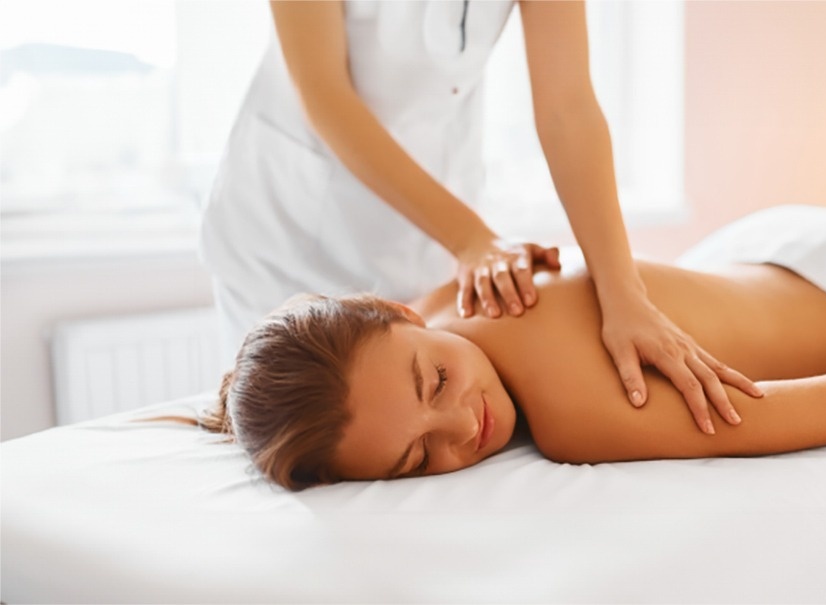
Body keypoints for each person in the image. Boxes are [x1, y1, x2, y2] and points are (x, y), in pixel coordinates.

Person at [198, 0, 758, 433]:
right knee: (293, 436)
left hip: (422, 224)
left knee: (407, 434)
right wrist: (472, 239)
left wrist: (624, 294)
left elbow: (568, 110)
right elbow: (324, 94)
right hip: (288, 223)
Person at [197, 206, 826, 490]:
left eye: (436, 379)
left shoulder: (579, 415)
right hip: (777, 238)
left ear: (392, 313)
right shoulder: (460, 292)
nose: (463, 425)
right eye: (417, 460)